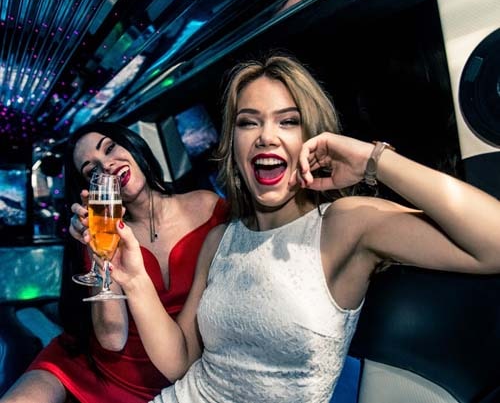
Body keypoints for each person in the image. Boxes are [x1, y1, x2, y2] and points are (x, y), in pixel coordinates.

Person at [100, 54, 500, 403]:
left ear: (312, 137)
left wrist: (372, 160)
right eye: (248, 123)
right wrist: (134, 279)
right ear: (233, 146)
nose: (266, 136)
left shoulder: (344, 223)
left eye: (288, 121)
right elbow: (181, 360)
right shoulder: (221, 239)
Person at [0, 122, 227, 403]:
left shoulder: (210, 208)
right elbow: (111, 339)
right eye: (92, 170)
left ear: (132, 145)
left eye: (110, 148)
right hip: (103, 367)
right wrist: (100, 257)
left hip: (179, 369)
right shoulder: (105, 232)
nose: (106, 165)